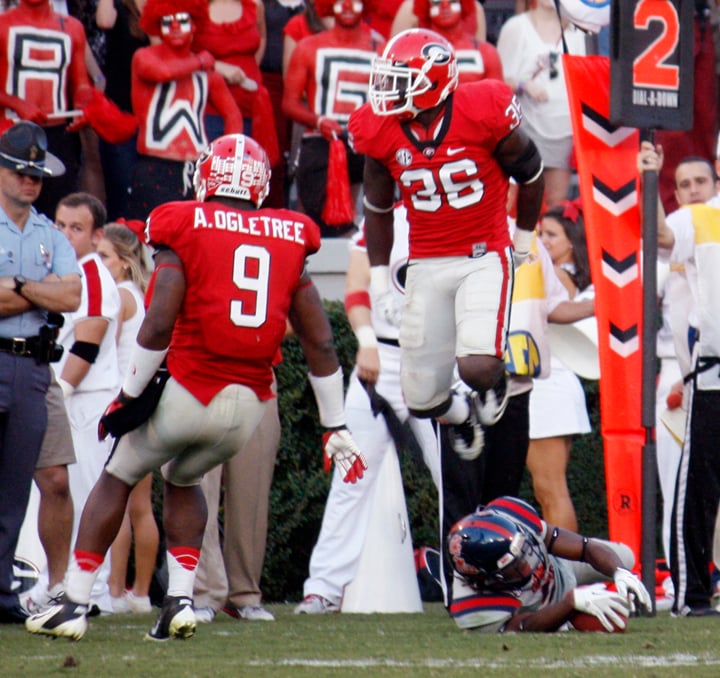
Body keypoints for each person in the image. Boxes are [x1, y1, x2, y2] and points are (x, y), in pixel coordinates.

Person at [25, 133, 368, 641]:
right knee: (184, 478)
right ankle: (180, 601)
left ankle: (73, 602)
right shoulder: (290, 233)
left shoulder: (185, 222)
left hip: (192, 386)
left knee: (118, 473)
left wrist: (131, 392)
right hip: (250, 405)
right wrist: (334, 423)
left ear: (208, 177)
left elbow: (159, 321)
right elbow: (320, 344)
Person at [348, 28, 545, 462]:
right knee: (420, 400)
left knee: (476, 366)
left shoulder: (483, 108)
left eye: (400, 81)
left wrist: (524, 238)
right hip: (425, 261)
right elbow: (378, 208)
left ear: (434, 82)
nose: (385, 91)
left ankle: (494, 381)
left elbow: (531, 174)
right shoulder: (378, 129)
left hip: (483, 253)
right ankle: (463, 415)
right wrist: (380, 281)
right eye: (386, 79)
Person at [295, 204, 441, 614]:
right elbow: (357, 286)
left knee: (454, 478)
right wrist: (366, 341)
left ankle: (472, 579)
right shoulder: (387, 219)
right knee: (351, 475)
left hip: (436, 359)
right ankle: (323, 587)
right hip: (383, 360)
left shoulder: (457, 216)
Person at [0, 121, 81, 623]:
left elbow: (71, 296)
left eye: (36, 176)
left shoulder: (51, 231)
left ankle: (4, 595)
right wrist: (40, 288)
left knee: (13, 492)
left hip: (33, 364)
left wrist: (18, 285)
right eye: (20, 173)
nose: (30, 183)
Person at [639, 140, 720, 616]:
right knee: (698, 490)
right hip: (710, 373)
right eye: (682, 183)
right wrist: (652, 181)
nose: (691, 190)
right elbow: (662, 235)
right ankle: (692, 595)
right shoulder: (697, 216)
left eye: (698, 181)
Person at [53, 192, 122, 614]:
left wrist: (57, 392)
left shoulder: (93, 275)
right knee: (58, 494)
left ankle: (91, 593)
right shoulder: (61, 269)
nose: (64, 234)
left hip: (89, 399)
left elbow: (87, 344)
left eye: (75, 228)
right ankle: (56, 581)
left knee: (88, 492)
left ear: (97, 236)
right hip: (66, 395)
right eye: (60, 225)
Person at [446, 495, 652, 632]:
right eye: (516, 564)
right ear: (488, 579)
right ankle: (578, 608)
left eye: (525, 550)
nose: (531, 560)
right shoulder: (473, 608)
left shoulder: (511, 513)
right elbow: (523, 627)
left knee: (625, 557)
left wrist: (619, 572)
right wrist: (570, 605)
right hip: (540, 608)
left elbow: (583, 546)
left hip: (562, 566)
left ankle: (589, 595)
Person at [125, 0, 243, 220]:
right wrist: (200, 61)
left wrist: (225, 160)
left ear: (195, 24)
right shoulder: (144, 57)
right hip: (155, 166)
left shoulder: (206, 72)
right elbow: (162, 72)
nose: (176, 27)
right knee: (149, 236)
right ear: (157, 26)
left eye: (182, 20)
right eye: (168, 22)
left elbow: (232, 114)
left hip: (195, 169)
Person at [96, 223, 158, 614]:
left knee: (115, 500)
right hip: (141, 406)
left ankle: (116, 591)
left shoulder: (119, 296)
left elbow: (101, 348)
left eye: (104, 257)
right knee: (141, 506)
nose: (99, 263)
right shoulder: (138, 292)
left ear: (122, 262)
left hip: (121, 405)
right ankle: (140, 593)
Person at [282, 0, 383, 236]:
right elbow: (289, 104)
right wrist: (319, 121)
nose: (347, 6)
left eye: (354, 1)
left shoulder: (381, 49)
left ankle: (364, 242)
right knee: (316, 206)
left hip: (366, 144)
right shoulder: (308, 48)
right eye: (339, 1)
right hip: (320, 142)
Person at [527, 199, 594, 532]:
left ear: (573, 239)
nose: (544, 241)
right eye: (541, 233)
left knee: (550, 491)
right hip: (553, 384)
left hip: (547, 386)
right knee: (548, 491)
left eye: (552, 234)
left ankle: (566, 578)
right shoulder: (562, 274)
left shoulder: (558, 277)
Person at [192, 383, 280, 623]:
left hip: (258, 375)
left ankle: (245, 594)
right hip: (204, 372)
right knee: (200, 490)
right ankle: (203, 594)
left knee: (252, 493)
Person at [0, 0, 97, 216]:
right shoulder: (3, 25)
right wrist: (16, 103)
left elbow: (81, 83)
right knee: (10, 210)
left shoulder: (72, 27)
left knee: (56, 212)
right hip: (10, 132)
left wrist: (84, 106)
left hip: (57, 135)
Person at [496, 0, 586, 207]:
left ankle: (547, 240)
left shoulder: (581, 31)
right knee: (519, 201)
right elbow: (497, 82)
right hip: (524, 128)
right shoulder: (516, 27)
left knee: (556, 202)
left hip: (564, 129)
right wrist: (523, 85)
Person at [95, 0, 150, 221]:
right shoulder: (117, 5)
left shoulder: (166, 7)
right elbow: (104, 21)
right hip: (120, 115)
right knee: (120, 196)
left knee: (147, 195)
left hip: (153, 118)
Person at [413, 0, 503, 85]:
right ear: (426, 7)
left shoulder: (486, 53)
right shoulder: (416, 53)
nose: (445, 6)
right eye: (436, 2)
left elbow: (497, 96)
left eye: (453, 0)